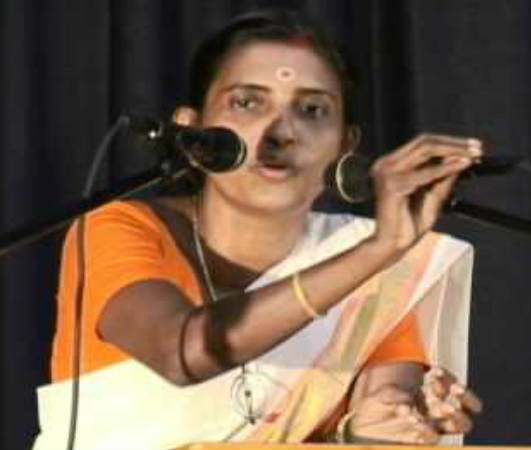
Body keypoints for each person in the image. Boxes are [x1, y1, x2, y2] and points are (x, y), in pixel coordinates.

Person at [34, 9, 482, 449]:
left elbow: (381, 417)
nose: (281, 132)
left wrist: (384, 427)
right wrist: (377, 250)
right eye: (247, 102)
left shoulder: (383, 270)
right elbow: (181, 352)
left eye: (312, 109)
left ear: (345, 144)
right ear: (191, 131)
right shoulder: (118, 230)